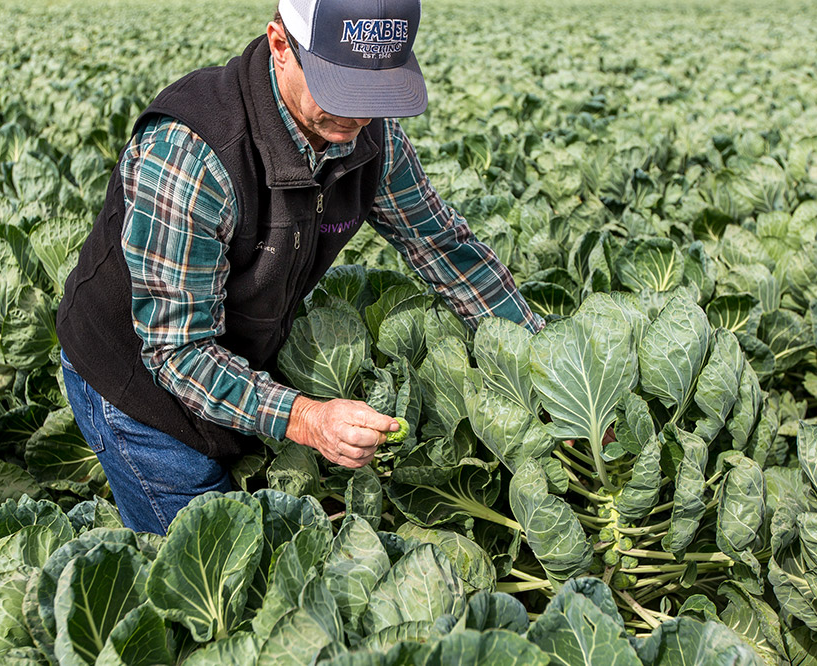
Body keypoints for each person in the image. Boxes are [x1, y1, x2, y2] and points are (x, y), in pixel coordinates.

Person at [56, 0, 544, 535]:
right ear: (280, 45)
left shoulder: (367, 137)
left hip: (239, 350)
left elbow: (443, 247)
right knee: (215, 560)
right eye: (340, 89)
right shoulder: (195, 154)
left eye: (374, 94)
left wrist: (546, 372)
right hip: (139, 385)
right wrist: (305, 418)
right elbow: (176, 351)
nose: (358, 116)